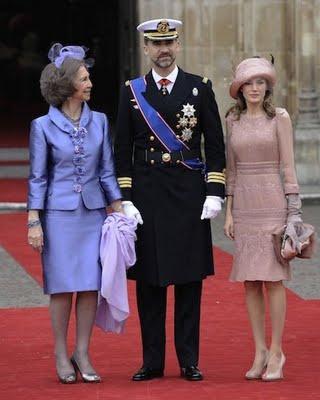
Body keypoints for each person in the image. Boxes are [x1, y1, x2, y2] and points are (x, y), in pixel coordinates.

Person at [114, 19, 226, 381]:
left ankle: (189, 360)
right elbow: (121, 150)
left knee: (189, 280)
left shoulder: (199, 88)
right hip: (146, 195)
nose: (163, 50)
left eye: (170, 43)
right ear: (146, 49)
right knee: (149, 283)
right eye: (156, 44)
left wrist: (214, 190)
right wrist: (125, 197)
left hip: (189, 194)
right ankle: (152, 361)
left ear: (178, 46)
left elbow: (215, 144)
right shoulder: (132, 91)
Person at [27, 43, 122, 384]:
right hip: (59, 216)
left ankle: (82, 351)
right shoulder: (43, 126)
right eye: (84, 78)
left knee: (89, 286)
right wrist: (34, 220)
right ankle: (59, 352)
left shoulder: (100, 121)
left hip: (93, 215)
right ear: (67, 85)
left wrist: (120, 211)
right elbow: (38, 177)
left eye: (89, 77)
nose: (90, 82)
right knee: (63, 287)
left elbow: (107, 172)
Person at [224, 56, 303, 381]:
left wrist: (294, 212)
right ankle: (258, 351)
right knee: (251, 281)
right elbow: (232, 169)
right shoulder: (232, 119)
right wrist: (228, 212)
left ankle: (276, 350)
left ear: (267, 87)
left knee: (272, 279)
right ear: (240, 88)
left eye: (260, 82)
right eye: (249, 83)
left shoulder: (279, 118)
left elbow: (288, 166)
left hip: (273, 203)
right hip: (244, 205)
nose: (255, 88)